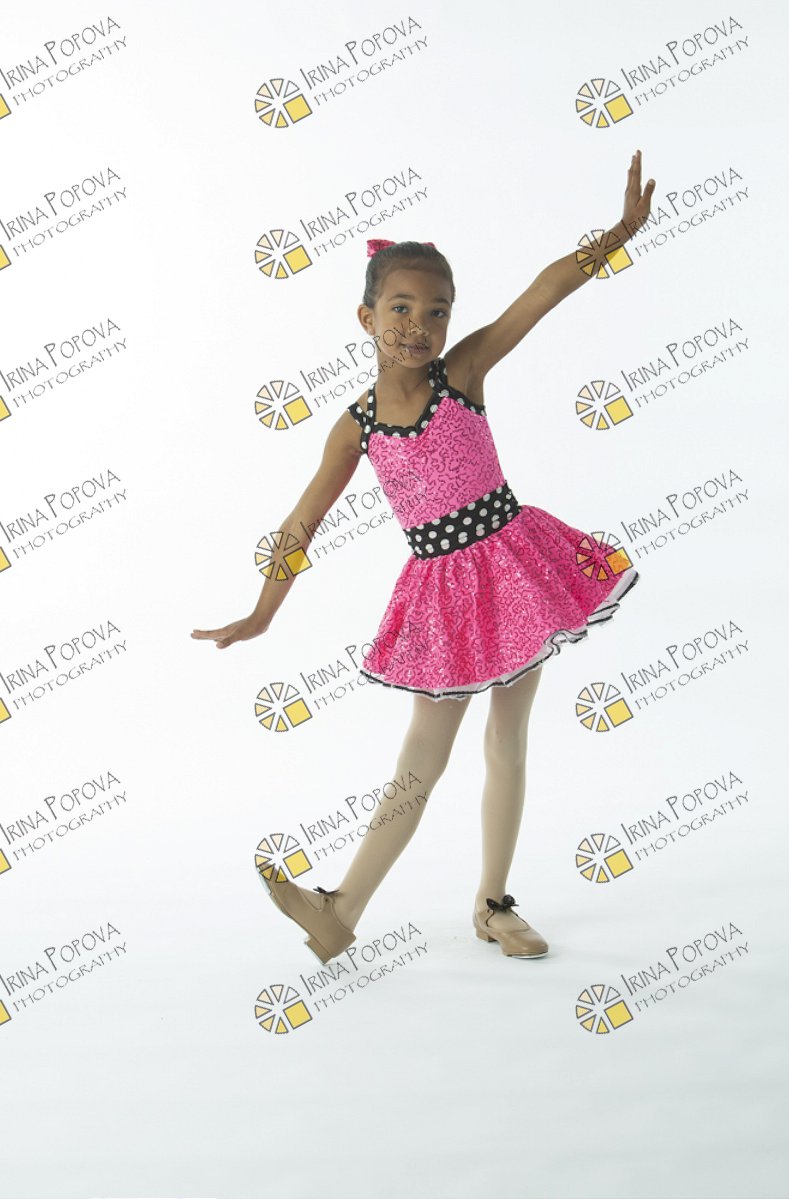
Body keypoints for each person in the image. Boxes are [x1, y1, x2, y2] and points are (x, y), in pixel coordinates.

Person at [192, 151, 656, 965]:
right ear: (365, 316)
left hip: (515, 565)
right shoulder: (357, 426)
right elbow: (300, 524)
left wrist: (617, 235)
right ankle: (341, 908)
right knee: (423, 754)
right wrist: (262, 612)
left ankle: (492, 903)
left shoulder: (462, 373)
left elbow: (541, 293)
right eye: (400, 308)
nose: (418, 326)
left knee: (507, 737)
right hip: (443, 591)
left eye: (436, 312)